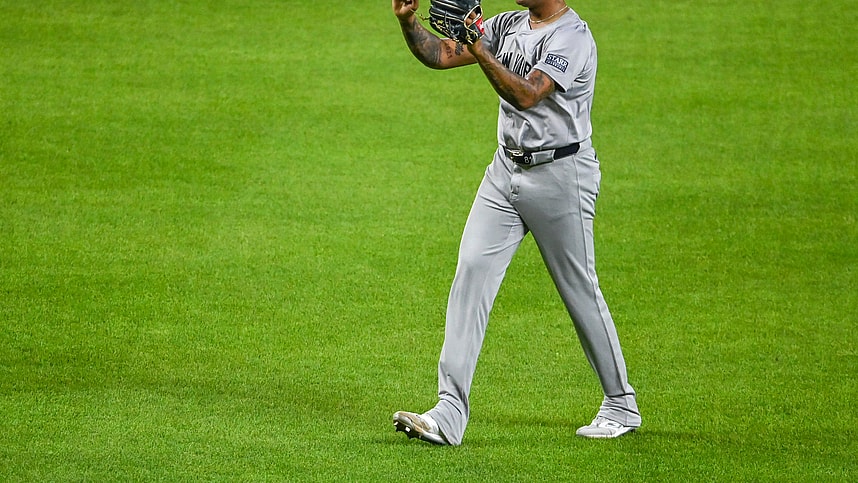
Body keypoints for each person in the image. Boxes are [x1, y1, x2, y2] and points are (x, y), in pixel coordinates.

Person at [390, 0, 641, 446]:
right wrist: (408, 21)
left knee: (578, 287)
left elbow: (526, 93)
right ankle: (448, 414)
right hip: (504, 172)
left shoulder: (572, 37)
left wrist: (479, 47)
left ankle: (620, 403)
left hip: (562, 176)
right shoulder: (507, 24)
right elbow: (441, 54)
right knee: (470, 271)